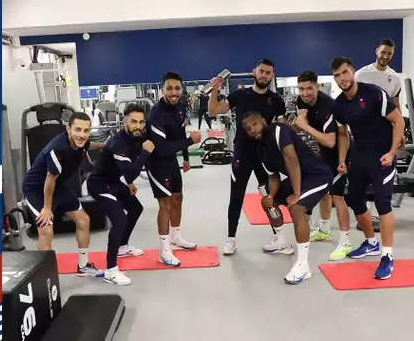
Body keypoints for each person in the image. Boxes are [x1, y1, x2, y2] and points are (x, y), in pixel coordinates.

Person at [330, 56, 405, 279]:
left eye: (344, 72)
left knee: (382, 203)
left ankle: (387, 255)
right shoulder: (339, 105)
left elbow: (398, 121)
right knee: (353, 198)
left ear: (352, 71)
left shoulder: (373, 93)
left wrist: (392, 153)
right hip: (359, 156)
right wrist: (342, 158)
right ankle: (371, 242)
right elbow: (343, 133)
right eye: (337, 75)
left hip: (382, 156)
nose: (342, 78)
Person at [208, 58, 289, 256]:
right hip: (242, 152)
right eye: (261, 71)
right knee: (236, 196)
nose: (264, 75)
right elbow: (213, 111)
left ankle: (280, 237)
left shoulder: (276, 101)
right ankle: (231, 239)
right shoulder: (240, 94)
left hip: (265, 154)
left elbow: (282, 130)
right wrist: (214, 90)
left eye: (268, 73)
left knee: (270, 197)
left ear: (272, 75)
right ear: (254, 71)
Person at [243, 112, 333, 284]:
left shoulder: (278, 130)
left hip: (318, 176)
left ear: (263, 121)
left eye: (255, 124)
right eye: (248, 128)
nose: (253, 129)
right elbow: (274, 177)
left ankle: (303, 265)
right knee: (267, 203)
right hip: (298, 178)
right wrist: (271, 196)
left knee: (296, 208)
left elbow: (291, 160)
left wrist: (296, 194)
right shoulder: (261, 150)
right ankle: (281, 242)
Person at [22, 112, 106, 277]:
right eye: (78, 130)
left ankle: (83, 266)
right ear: (68, 128)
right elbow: (49, 180)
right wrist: (47, 208)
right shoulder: (57, 149)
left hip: (58, 186)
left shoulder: (81, 142)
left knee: (84, 220)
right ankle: (43, 278)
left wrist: (105, 145)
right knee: (46, 229)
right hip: (37, 189)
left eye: (86, 131)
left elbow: (88, 146)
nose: (82, 135)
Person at [87, 103, 154, 285]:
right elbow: (131, 171)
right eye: (133, 122)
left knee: (136, 208)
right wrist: (146, 153)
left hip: (115, 182)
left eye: (141, 122)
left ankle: (123, 246)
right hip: (99, 185)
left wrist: (129, 183)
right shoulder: (119, 143)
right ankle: (111, 270)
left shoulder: (135, 138)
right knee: (119, 220)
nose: (138, 126)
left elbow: (125, 170)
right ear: (125, 122)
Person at [292, 70, 353, 261]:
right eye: (301, 89)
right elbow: (299, 124)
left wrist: (304, 127)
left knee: (337, 195)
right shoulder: (302, 101)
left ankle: (345, 242)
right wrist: (295, 125)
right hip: (324, 151)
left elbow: (332, 141)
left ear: (317, 86)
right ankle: (325, 229)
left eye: (309, 88)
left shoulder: (328, 106)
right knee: (324, 191)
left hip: (341, 151)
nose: (305, 93)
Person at [147, 71, 202, 267]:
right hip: (156, 161)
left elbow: (179, 133)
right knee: (165, 205)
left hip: (171, 160)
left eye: (177, 88)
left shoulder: (180, 107)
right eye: (169, 88)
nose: (174, 92)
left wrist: (186, 157)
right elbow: (161, 149)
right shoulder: (156, 113)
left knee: (178, 197)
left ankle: (175, 237)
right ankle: (164, 250)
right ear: (162, 90)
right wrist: (190, 141)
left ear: (182, 89)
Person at [354, 38, 404, 230]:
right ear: (377, 51)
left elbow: (396, 106)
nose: (385, 56)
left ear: (392, 55)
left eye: (389, 54)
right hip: (363, 132)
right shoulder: (361, 74)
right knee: (363, 172)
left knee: (382, 172)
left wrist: (400, 134)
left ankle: (377, 214)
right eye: (383, 52)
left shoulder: (395, 78)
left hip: (385, 133)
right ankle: (365, 213)